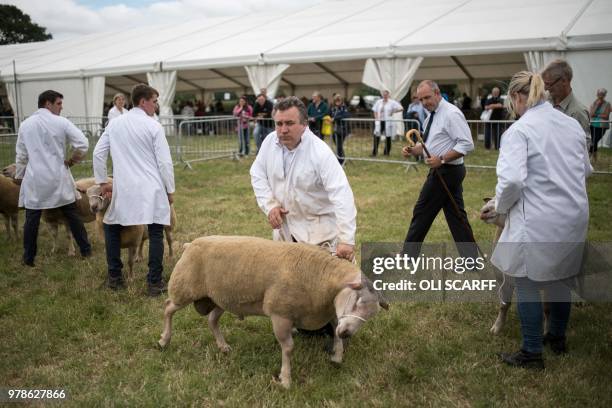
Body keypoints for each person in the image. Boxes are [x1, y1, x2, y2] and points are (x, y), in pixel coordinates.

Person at [491, 71, 591, 369]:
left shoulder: (518, 132)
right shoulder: (570, 124)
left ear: (517, 98)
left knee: (526, 282)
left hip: (537, 218)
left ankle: (532, 351)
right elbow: (586, 170)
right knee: (561, 277)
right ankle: (556, 337)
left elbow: (511, 182)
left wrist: (501, 210)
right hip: (573, 214)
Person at [250, 96, 357, 261]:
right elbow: (257, 173)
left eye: (290, 123)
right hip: (284, 233)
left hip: (319, 236)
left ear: (304, 124)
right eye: (279, 124)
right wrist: (270, 205)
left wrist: (347, 239)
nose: (283, 129)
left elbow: (341, 194)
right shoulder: (269, 142)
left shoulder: (320, 152)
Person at [93, 84, 175, 296]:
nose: (156, 106)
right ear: (143, 101)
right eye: (155, 101)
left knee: (111, 226)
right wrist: (170, 189)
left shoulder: (115, 124)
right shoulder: (154, 126)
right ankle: (154, 283)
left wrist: (103, 181)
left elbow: (98, 154)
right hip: (152, 187)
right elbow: (165, 162)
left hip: (125, 188)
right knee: (156, 232)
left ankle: (115, 278)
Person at [15, 90, 92, 267]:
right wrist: (73, 160)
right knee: (72, 215)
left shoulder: (25, 125)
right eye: (58, 103)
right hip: (58, 177)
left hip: (35, 179)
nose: (61, 107)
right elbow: (83, 143)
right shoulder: (61, 122)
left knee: (32, 219)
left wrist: (20, 177)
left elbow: (21, 155)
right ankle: (86, 250)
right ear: (47, 104)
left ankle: (28, 258)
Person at [401, 80, 477, 259]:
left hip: (447, 172)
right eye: (421, 99)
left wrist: (441, 159)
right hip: (444, 170)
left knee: (422, 211)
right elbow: (428, 145)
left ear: (437, 93)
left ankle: (407, 256)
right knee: (456, 216)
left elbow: (467, 144)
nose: (425, 102)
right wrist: (413, 150)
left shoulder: (451, 114)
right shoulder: (431, 116)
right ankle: (471, 259)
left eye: (427, 97)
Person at [541, 59, 591, 148]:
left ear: (564, 81)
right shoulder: (543, 102)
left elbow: (584, 148)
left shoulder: (578, 112)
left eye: (549, 84)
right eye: (544, 84)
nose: (545, 88)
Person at [371, 90, 403, 156]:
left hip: (388, 121)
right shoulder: (379, 102)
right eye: (384, 94)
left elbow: (401, 108)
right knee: (376, 136)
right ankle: (374, 152)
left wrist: (393, 111)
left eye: (386, 94)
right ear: (382, 95)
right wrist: (376, 117)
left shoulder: (392, 102)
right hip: (380, 121)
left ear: (388, 95)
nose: (385, 96)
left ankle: (386, 152)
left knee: (388, 137)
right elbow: (375, 110)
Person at [589, 88, 611, 161]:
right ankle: (595, 158)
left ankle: (589, 155)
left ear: (604, 95)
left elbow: (606, 116)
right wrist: (597, 106)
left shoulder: (607, 104)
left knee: (595, 140)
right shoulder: (594, 103)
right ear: (597, 95)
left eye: (602, 94)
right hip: (593, 124)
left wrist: (596, 115)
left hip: (602, 126)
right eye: (599, 94)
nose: (600, 96)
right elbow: (591, 114)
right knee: (592, 141)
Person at [329, 94, 350, 165]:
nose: (337, 102)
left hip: (342, 130)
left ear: (341, 101)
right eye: (336, 100)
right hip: (334, 130)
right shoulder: (333, 108)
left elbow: (346, 115)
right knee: (338, 146)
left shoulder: (344, 107)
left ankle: (340, 161)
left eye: (339, 100)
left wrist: (335, 118)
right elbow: (329, 114)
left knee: (339, 146)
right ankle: (342, 158)